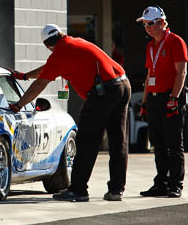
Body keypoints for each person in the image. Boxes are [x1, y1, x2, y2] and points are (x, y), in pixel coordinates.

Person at [8, 24, 131, 202]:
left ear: (47, 46)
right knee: (118, 140)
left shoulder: (60, 53)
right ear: (61, 34)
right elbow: (47, 69)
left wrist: (19, 105)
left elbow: (41, 83)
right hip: (122, 84)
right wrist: (25, 76)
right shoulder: (74, 43)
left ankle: (78, 190)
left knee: (86, 140)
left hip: (104, 92)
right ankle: (116, 190)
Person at [137, 6, 187, 198]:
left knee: (174, 144)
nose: (147, 28)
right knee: (157, 144)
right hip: (154, 99)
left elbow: (181, 72)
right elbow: (150, 74)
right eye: (145, 24)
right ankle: (162, 182)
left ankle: (176, 184)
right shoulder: (151, 46)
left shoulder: (175, 42)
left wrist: (174, 98)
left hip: (170, 97)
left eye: (150, 23)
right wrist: (144, 101)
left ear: (161, 23)